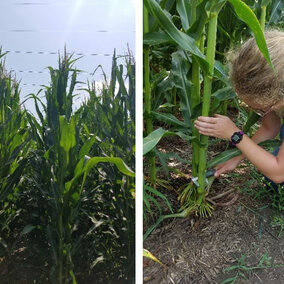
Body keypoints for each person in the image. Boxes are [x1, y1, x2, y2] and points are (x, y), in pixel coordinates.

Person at [194, 29, 284, 185]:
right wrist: (236, 158)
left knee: (274, 176)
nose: (261, 112)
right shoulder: (276, 86)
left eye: (262, 109)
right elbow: (271, 127)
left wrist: (234, 134)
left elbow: (278, 173)